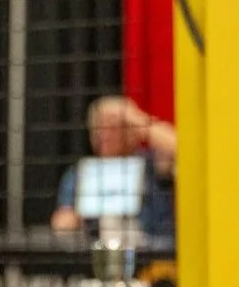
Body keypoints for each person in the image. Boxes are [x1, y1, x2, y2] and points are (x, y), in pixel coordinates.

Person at [50, 95, 176, 247]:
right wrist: (69, 221)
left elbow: (181, 149)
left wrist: (137, 120)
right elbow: (63, 219)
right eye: (98, 127)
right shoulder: (80, 173)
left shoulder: (151, 164)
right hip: (98, 253)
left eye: (113, 127)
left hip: (151, 253)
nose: (104, 135)